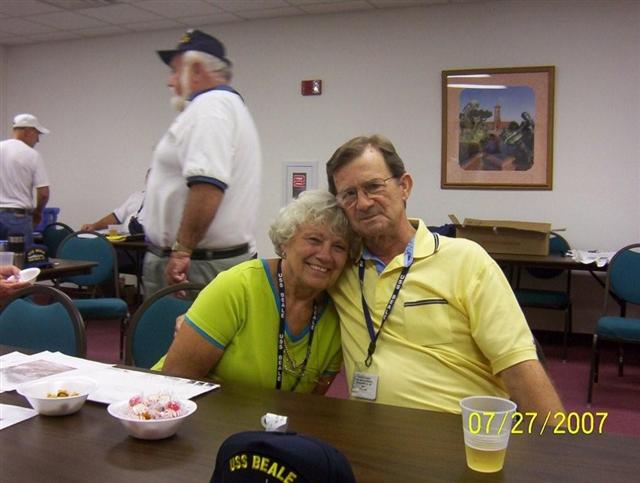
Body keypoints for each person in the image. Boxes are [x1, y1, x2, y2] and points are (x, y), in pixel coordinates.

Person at [325, 134, 565, 416]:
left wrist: (555, 441)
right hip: (370, 432)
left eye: (373, 186)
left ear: (404, 186)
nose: (363, 203)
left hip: (460, 433)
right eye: (349, 194)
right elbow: (294, 261)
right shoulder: (339, 268)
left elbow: (519, 366)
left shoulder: (466, 261)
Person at [154, 190, 357, 394]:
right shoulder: (238, 286)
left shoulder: (338, 317)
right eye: (314, 240)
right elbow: (176, 380)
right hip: (182, 404)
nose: (325, 255)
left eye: (339, 247)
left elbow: (311, 403)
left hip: (270, 415)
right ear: (285, 242)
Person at [143, 29, 262, 296]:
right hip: (203, 261)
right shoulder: (224, 106)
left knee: (177, 326)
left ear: (196, 69)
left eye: (175, 71)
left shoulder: (211, 107)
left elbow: (207, 185)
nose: (170, 81)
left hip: (195, 265)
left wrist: (182, 251)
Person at [0, 114, 51, 249]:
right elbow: (44, 193)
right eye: (37, 134)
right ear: (28, 131)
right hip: (17, 219)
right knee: (20, 259)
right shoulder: (31, 155)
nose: (38, 140)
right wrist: (38, 212)